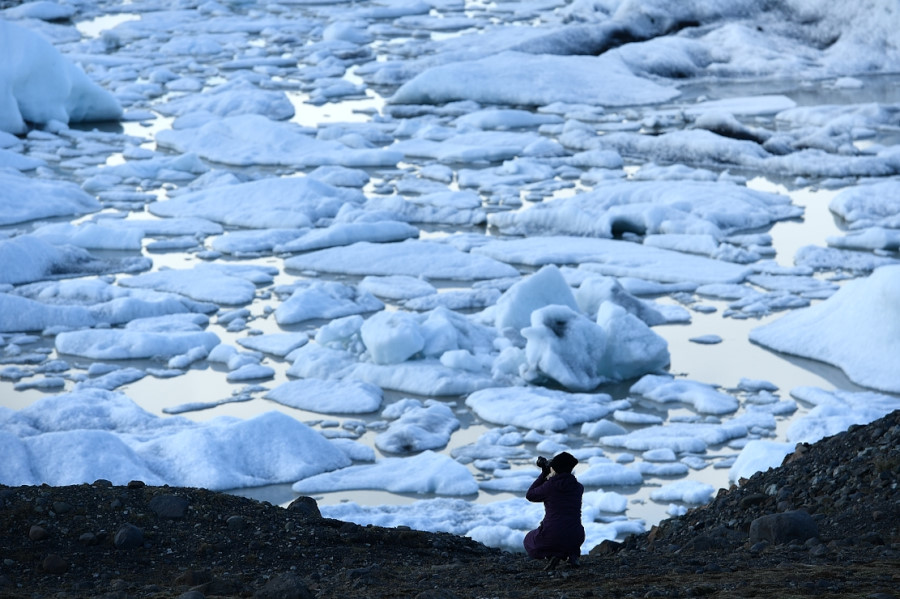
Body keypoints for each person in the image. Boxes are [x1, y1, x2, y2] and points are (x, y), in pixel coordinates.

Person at [523, 451, 585, 569]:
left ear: (555, 469)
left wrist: (544, 474)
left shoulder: (550, 486)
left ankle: (553, 555)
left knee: (529, 540)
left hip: (552, 535)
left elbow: (530, 495)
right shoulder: (578, 487)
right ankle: (572, 555)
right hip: (576, 536)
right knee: (567, 533)